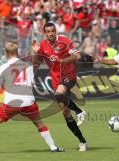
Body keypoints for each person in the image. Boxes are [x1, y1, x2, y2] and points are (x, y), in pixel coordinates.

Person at [0, 42, 64, 154]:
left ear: (6, 53)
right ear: (17, 52)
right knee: (40, 124)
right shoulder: (28, 65)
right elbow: (34, 70)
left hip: (11, 103)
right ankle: (53, 147)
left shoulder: (3, 67)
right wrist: (36, 53)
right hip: (28, 103)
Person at [32, 22, 87, 151]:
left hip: (69, 75)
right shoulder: (43, 46)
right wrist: (35, 52)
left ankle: (79, 111)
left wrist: (61, 60)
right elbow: (36, 64)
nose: (51, 33)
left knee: (59, 93)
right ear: (44, 33)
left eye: (52, 31)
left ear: (55, 31)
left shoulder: (65, 41)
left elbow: (77, 56)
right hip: (56, 80)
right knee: (66, 113)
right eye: (48, 32)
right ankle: (82, 141)